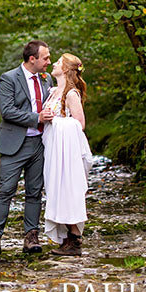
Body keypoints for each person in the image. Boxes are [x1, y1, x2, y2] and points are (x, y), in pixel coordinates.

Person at [0, 40, 55, 257]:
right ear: (32, 59)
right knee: (6, 191)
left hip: (40, 144)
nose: (48, 62)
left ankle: (31, 237)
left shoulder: (47, 78)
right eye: (45, 58)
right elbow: (7, 111)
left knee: (34, 192)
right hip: (15, 144)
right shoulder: (9, 78)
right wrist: (37, 117)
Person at [41, 53, 93, 256]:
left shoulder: (71, 94)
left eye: (58, 62)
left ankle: (74, 238)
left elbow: (80, 124)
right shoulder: (53, 91)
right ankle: (66, 237)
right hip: (53, 148)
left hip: (67, 151)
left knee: (68, 190)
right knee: (55, 190)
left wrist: (55, 121)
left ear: (64, 69)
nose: (53, 64)